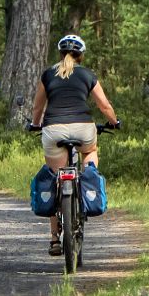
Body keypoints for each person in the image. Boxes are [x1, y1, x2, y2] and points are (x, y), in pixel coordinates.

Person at [29, 34, 121, 256]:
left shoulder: (48, 74)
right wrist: (114, 122)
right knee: (90, 151)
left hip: (53, 130)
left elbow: (37, 108)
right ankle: (89, 173)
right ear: (81, 55)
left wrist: (34, 125)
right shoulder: (88, 74)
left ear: (60, 54)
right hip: (83, 128)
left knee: (54, 178)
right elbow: (104, 105)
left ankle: (54, 239)